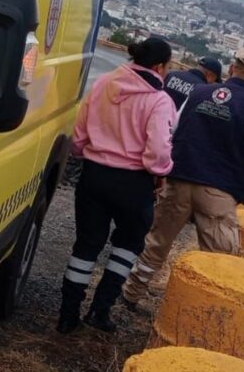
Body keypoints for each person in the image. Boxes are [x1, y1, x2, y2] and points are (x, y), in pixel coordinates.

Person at [121, 46, 244, 309]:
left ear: (231, 69)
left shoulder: (198, 93)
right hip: (218, 192)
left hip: (180, 178)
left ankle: (131, 292)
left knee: (157, 241)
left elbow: (175, 128)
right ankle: (200, 311)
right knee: (220, 259)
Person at [59, 36, 177, 334]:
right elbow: (159, 152)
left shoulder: (103, 83)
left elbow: (80, 135)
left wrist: (86, 152)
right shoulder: (159, 100)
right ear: (160, 66)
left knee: (86, 244)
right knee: (128, 245)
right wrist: (160, 173)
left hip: (94, 176)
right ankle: (100, 310)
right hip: (134, 184)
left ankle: (67, 314)